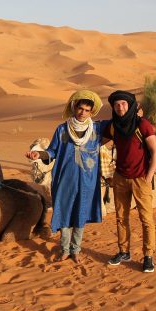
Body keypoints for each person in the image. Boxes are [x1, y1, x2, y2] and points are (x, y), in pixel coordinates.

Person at [26, 90, 104, 263]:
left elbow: (120, 125)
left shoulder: (97, 129)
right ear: (74, 107)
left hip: (87, 181)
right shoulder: (62, 129)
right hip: (65, 180)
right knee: (64, 212)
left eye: (86, 110)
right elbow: (52, 151)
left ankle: (75, 250)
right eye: (80, 108)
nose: (82, 112)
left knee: (80, 213)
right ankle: (64, 249)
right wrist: (39, 155)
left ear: (91, 112)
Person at [102, 90, 156, 273]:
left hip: (140, 178)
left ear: (131, 105)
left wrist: (149, 175)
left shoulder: (142, 125)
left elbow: (155, 151)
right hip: (120, 177)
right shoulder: (113, 126)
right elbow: (98, 143)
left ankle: (148, 255)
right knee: (121, 217)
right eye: (117, 105)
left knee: (146, 219)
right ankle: (123, 251)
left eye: (124, 104)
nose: (120, 107)